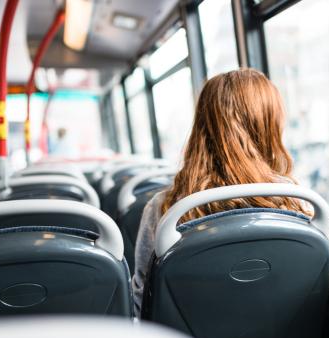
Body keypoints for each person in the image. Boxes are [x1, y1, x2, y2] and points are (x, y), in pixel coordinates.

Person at [132, 69, 314, 316]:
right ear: (270, 125)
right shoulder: (296, 202)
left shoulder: (165, 210)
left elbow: (144, 301)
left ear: (201, 128)